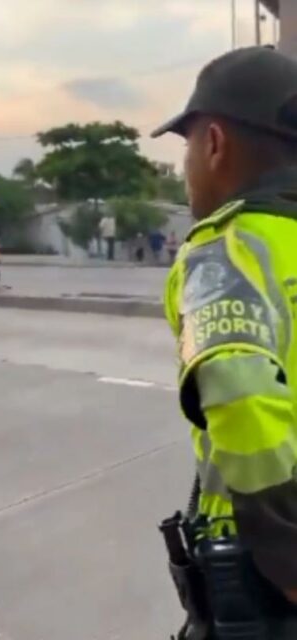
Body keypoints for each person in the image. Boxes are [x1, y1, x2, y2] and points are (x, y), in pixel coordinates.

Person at [153, 45, 297, 635]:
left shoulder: (228, 250)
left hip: (265, 593)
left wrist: (290, 564)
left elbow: (239, 388)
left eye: (186, 146)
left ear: (213, 143)